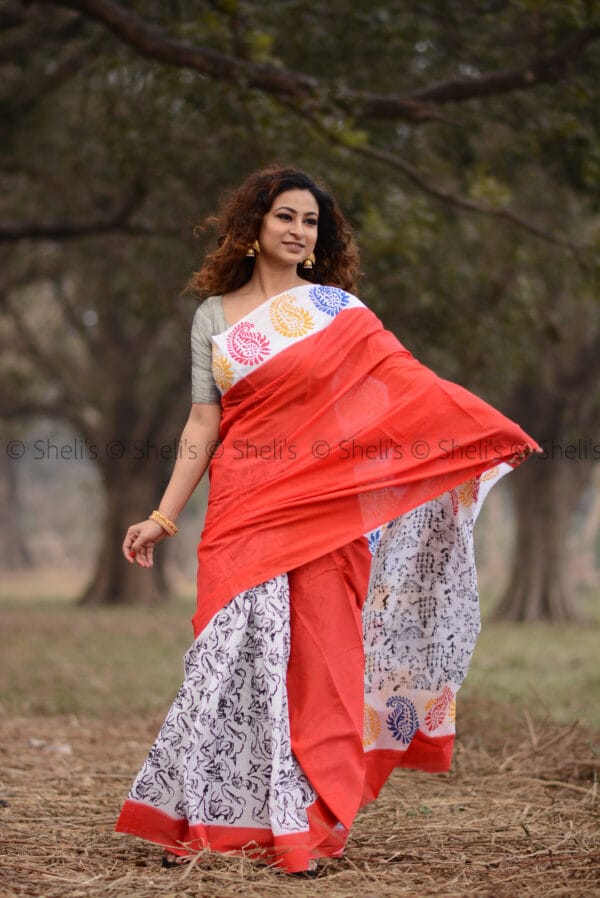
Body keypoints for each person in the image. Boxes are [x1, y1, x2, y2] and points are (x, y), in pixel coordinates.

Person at [115, 165, 539, 877]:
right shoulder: (213, 318)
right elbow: (201, 422)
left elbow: (404, 391)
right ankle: (208, 822)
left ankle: (303, 827)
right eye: (285, 216)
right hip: (243, 506)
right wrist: (163, 513)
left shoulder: (339, 312)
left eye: (310, 221)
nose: (297, 230)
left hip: (324, 514)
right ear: (253, 226)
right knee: (227, 663)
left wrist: (479, 432)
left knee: (319, 666)